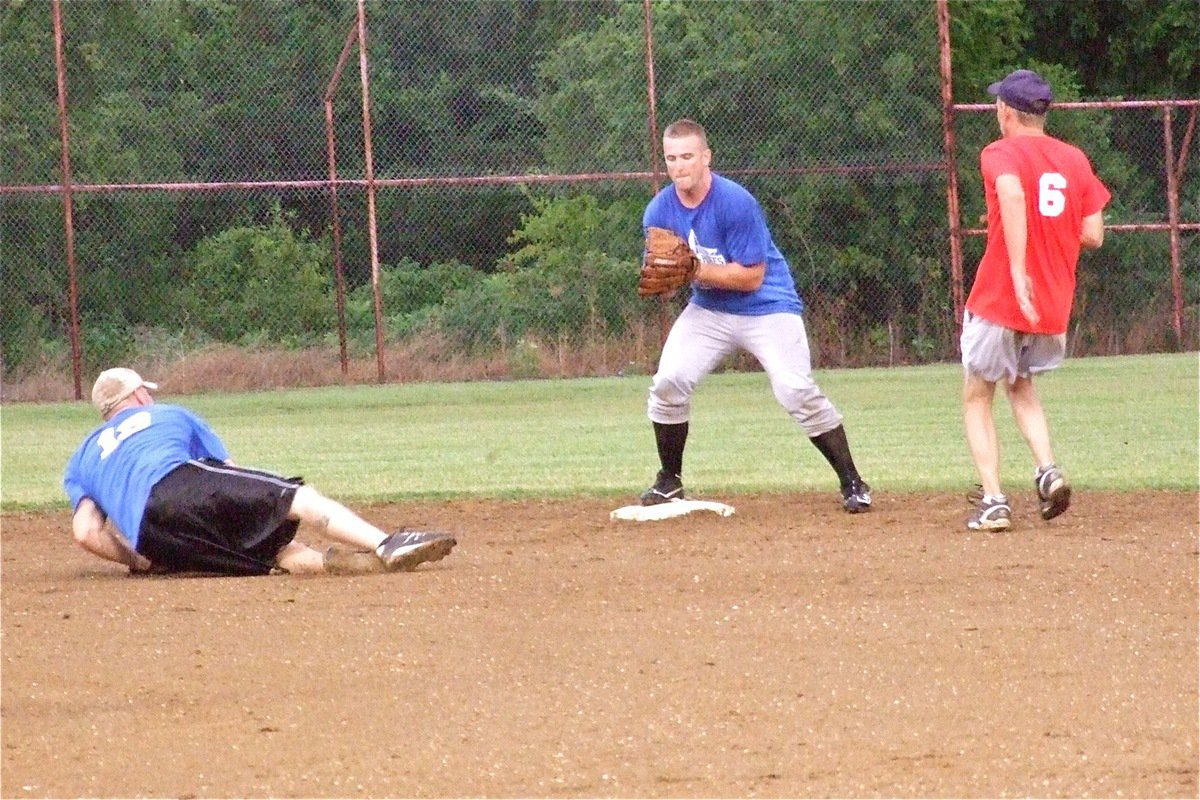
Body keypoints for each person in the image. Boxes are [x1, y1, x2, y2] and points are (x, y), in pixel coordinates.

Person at [637, 118, 871, 512]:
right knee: (668, 382)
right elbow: (662, 270)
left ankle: (852, 481)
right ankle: (669, 479)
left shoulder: (736, 202)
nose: (679, 167)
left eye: (688, 156)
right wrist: (666, 278)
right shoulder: (659, 210)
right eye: (671, 158)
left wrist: (693, 270)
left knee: (795, 389)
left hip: (767, 306)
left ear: (706, 157)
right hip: (709, 309)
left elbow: (751, 277)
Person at [63, 367, 457, 576]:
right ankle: (386, 544)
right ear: (138, 396)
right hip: (177, 482)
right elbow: (229, 471)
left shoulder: (81, 457)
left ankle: (364, 566)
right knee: (293, 497)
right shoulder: (167, 413)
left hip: (152, 538)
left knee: (272, 554)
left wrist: (139, 561)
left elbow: (86, 533)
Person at [961, 69, 1110, 531]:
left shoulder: (999, 152)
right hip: (1052, 301)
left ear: (1005, 111)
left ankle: (994, 501)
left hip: (1003, 295)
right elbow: (1093, 235)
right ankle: (1048, 470)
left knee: (976, 395)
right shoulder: (1074, 159)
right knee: (1021, 385)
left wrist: (1020, 267)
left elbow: (1010, 191)